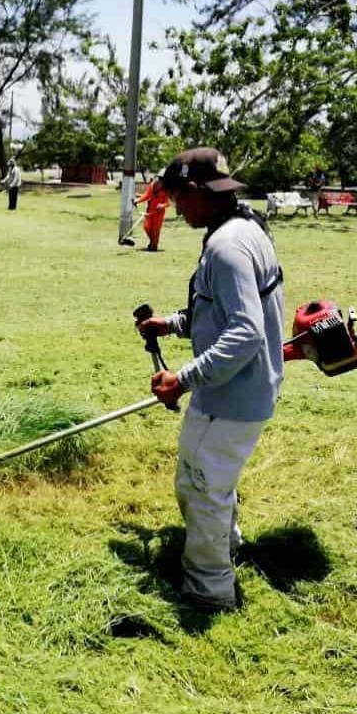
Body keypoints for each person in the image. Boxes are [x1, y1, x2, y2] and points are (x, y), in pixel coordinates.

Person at [137, 148, 285, 614]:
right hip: (235, 389)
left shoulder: (227, 247)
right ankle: (227, 544)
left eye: (179, 198)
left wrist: (181, 379)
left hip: (234, 394)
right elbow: (223, 311)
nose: (177, 209)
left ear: (199, 191)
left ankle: (209, 591)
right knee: (205, 476)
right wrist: (174, 324)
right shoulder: (244, 228)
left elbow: (245, 332)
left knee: (202, 483)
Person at [135, 178, 172, 251]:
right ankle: (152, 242)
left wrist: (162, 205)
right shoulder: (152, 186)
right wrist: (138, 201)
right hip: (150, 210)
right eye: (158, 180)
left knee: (156, 230)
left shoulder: (166, 189)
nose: (159, 182)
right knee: (146, 227)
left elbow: (168, 203)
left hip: (159, 213)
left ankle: (154, 245)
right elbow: (146, 195)